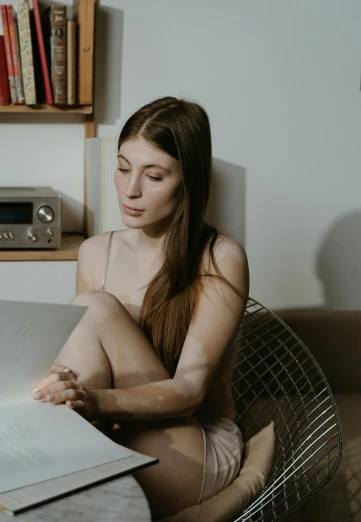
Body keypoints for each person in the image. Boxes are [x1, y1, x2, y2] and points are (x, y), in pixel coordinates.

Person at [33, 96, 250, 520]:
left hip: (192, 446)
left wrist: (93, 403)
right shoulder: (96, 252)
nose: (130, 189)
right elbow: (83, 364)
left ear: (188, 180)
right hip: (114, 429)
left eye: (153, 176)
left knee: (93, 307)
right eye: (122, 167)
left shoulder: (220, 258)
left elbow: (189, 391)